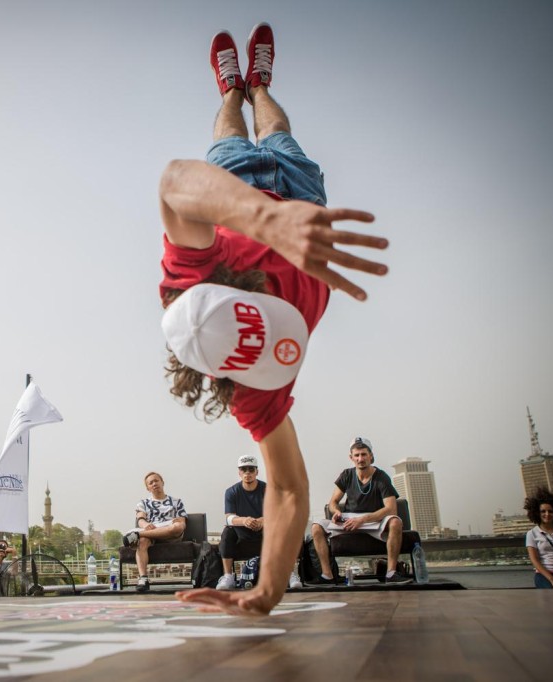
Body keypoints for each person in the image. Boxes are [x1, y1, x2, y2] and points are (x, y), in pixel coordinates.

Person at [159, 23, 387, 616]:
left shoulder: (189, 286)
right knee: (280, 133)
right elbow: (287, 487)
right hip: (304, 198)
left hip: (230, 191)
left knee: (231, 134)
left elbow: (177, 182)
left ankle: (238, 88)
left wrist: (263, 219)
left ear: (230, 295)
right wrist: (267, 590)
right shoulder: (253, 391)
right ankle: (265, 85)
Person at [308, 437, 410, 584]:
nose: (360, 459)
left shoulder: (381, 477)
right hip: (349, 520)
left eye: (363, 454)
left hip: (373, 521)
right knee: (316, 527)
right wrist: (336, 512)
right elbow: (333, 502)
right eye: (357, 455)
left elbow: (391, 509)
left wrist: (362, 519)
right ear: (351, 458)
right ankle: (327, 575)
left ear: (371, 456)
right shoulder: (346, 475)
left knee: (395, 522)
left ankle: (391, 573)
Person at [121, 472, 188, 593]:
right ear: (148, 488)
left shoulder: (177, 502)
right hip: (151, 531)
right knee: (142, 541)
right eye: (150, 483)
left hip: (170, 533)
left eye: (156, 480)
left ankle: (139, 535)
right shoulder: (143, 503)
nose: (154, 484)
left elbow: (182, 523)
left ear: (162, 482)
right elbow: (140, 519)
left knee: (177, 527)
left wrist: (177, 523)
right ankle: (143, 578)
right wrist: (146, 525)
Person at [216, 454, 266, 590]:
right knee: (227, 531)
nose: (247, 473)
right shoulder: (231, 492)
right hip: (242, 533)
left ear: (257, 471)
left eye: (251, 469)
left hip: (265, 531)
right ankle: (228, 576)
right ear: (239, 472)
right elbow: (229, 517)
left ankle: (289, 573)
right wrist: (245, 520)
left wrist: (262, 520)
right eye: (244, 470)